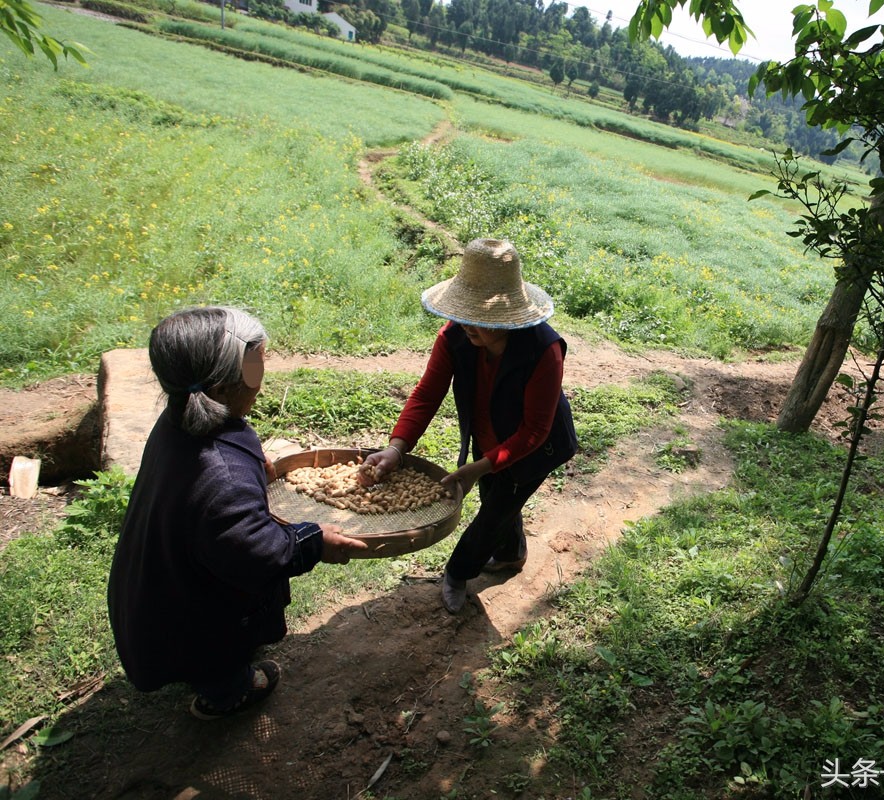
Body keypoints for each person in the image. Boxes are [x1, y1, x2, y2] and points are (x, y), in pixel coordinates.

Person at [108, 306, 367, 720]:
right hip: (189, 607)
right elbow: (257, 552)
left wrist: (248, 461)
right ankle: (226, 694)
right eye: (259, 361)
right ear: (229, 382)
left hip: (163, 574)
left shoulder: (181, 418)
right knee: (214, 653)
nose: (263, 377)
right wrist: (316, 540)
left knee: (205, 637)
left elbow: (218, 475)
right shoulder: (221, 477)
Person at [359, 238, 577, 614]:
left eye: (480, 320)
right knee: (498, 493)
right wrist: (396, 447)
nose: (467, 326)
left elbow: (533, 431)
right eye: (465, 315)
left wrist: (475, 469)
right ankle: (511, 554)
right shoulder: (455, 336)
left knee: (495, 510)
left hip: (538, 446)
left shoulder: (544, 349)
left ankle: (459, 572)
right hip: (490, 435)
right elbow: (428, 394)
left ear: (507, 317)